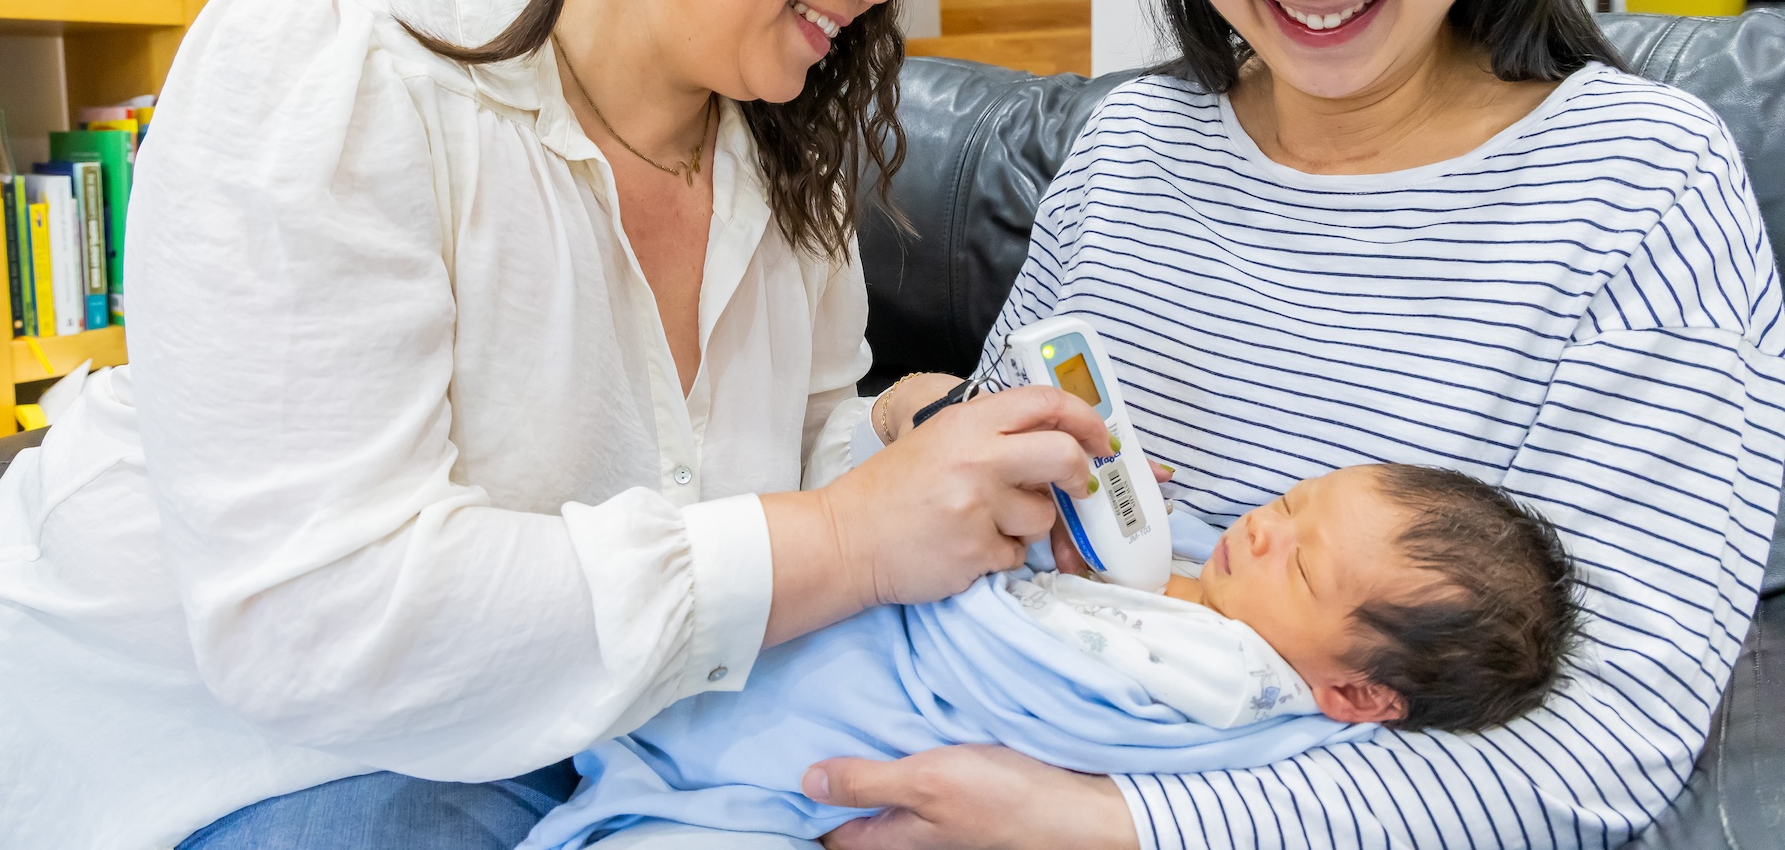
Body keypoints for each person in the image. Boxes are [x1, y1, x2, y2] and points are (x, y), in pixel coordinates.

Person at [0, 0, 1116, 849]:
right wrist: (847, 533)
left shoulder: (786, 179)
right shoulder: (336, 69)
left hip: (540, 738)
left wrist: (898, 442)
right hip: (179, 747)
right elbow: (322, 619)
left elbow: (785, 446)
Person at [805, 0, 1785, 849]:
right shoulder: (1131, 151)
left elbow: (1601, 745)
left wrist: (1106, 822)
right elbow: (989, 507)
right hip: (946, 722)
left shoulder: (1641, 185)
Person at [524, 464, 1582, 850]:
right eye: (1288, 505)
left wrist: (1000, 556)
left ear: (1352, 690)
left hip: (836, 759)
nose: (1260, 532)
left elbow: (1021, 644)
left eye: (1300, 567)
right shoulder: (1200, 578)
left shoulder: (1230, 678)